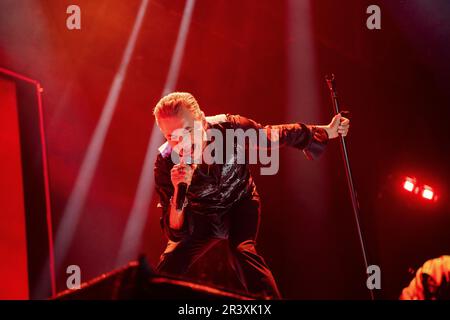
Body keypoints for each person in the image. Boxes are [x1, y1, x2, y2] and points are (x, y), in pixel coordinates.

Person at [153, 92, 350, 299]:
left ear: (201, 119)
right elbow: (175, 231)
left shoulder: (228, 127)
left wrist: (325, 132)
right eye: (171, 137)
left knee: (242, 252)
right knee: (169, 265)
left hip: (240, 203)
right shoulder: (165, 163)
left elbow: (274, 136)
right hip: (201, 217)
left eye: (187, 130)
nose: (181, 142)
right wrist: (178, 190)